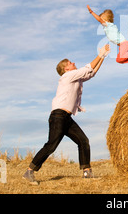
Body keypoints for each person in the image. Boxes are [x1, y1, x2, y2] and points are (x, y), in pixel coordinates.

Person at [23, 44, 111, 185]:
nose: (74, 63)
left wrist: (103, 57)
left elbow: (91, 73)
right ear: (66, 69)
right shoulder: (67, 76)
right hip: (58, 116)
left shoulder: (75, 78)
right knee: (51, 146)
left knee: (83, 141)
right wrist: (99, 55)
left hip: (66, 117)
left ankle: (87, 172)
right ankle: (29, 171)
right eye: (70, 63)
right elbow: (87, 68)